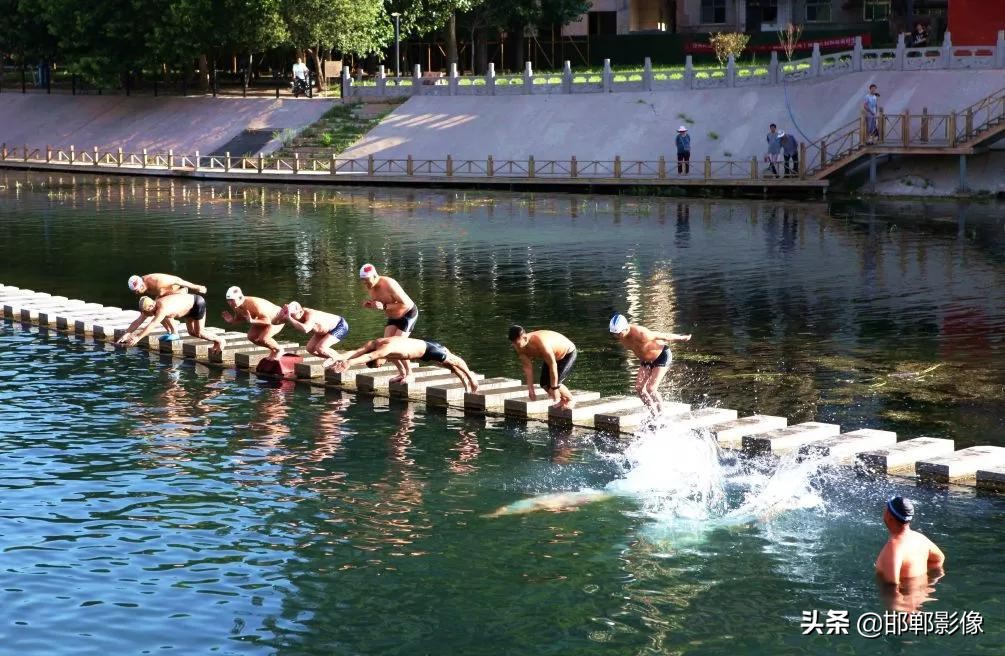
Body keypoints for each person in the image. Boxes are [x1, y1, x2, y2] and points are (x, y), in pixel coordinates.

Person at [327, 336, 480, 393]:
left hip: (428, 350)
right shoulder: (375, 343)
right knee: (451, 368)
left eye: (377, 366)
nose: (379, 366)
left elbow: (370, 355)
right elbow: (358, 351)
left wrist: (349, 362)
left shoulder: (383, 350)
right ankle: (466, 385)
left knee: (455, 362)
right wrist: (339, 358)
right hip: (421, 346)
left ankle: (471, 379)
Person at [608, 313, 691, 413]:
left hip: (661, 356)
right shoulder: (621, 335)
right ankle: (653, 414)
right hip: (646, 361)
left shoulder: (642, 333)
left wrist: (682, 338)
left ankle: (662, 415)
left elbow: (664, 336)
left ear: (625, 328)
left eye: (618, 333)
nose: (616, 336)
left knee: (651, 388)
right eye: (614, 333)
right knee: (639, 388)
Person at [359, 263, 419, 383]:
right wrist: (371, 305)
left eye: (367, 280)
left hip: (407, 314)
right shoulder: (370, 287)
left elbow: (405, 304)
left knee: (397, 346)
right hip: (393, 316)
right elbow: (381, 303)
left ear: (375, 276)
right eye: (363, 281)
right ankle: (402, 373)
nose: (365, 283)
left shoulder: (390, 284)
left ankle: (410, 374)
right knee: (386, 347)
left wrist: (384, 306)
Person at [875, 496, 946, 586]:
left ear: (889, 516)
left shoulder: (894, 547)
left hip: (904, 599)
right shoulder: (920, 539)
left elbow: (892, 586)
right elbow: (939, 559)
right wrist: (928, 583)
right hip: (919, 597)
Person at [115, 292, 225, 351]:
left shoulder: (162, 307)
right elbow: (138, 321)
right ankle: (216, 341)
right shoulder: (149, 309)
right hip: (187, 310)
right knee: (191, 333)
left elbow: (153, 324)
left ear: (152, 305)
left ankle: (220, 340)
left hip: (197, 303)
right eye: (145, 312)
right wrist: (127, 333)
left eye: (147, 311)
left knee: (200, 332)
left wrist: (138, 337)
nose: (147, 314)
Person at [508, 325, 577, 410]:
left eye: (517, 343)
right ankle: (563, 400)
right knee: (544, 384)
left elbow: (553, 365)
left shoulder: (540, 343)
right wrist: (530, 388)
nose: (515, 346)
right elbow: (527, 368)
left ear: (525, 338)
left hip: (567, 353)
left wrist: (554, 388)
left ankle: (571, 399)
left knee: (556, 383)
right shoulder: (518, 346)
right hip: (553, 357)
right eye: (513, 343)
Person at [220, 286, 286, 360]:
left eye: (232, 300)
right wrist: (232, 321)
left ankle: (280, 350)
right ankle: (274, 350)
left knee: (263, 339)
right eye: (228, 300)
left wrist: (252, 321)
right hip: (262, 319)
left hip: (277, 318)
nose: (230, 303)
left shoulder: (253, 304)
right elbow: (240, 318)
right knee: (251, 337)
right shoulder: (236, 305)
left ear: (240, 298)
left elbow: (267, 321)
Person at [280, 301, 348, 362]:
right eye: (290, 315)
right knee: (310, 349)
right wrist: (282, 313)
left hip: (339, 326)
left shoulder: (310, 314)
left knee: (321, 348)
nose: (292, 317)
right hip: (323, 330)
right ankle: (336, 359)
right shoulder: (297, 314)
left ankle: (341, 359)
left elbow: (306, 329)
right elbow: (275, 322)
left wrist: (289, 318)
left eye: (293, 315)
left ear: (301, 312)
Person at [127, 273, 207, 298]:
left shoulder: (156, 280)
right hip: (164, 293)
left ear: (142, 281)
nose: (140, 291)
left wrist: (196, 287)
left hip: (176, 289)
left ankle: (182, 292)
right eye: (137, 291)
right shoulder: (142, 286)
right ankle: (172, 331)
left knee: (159, 305)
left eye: (141, 286)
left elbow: (177, 281)